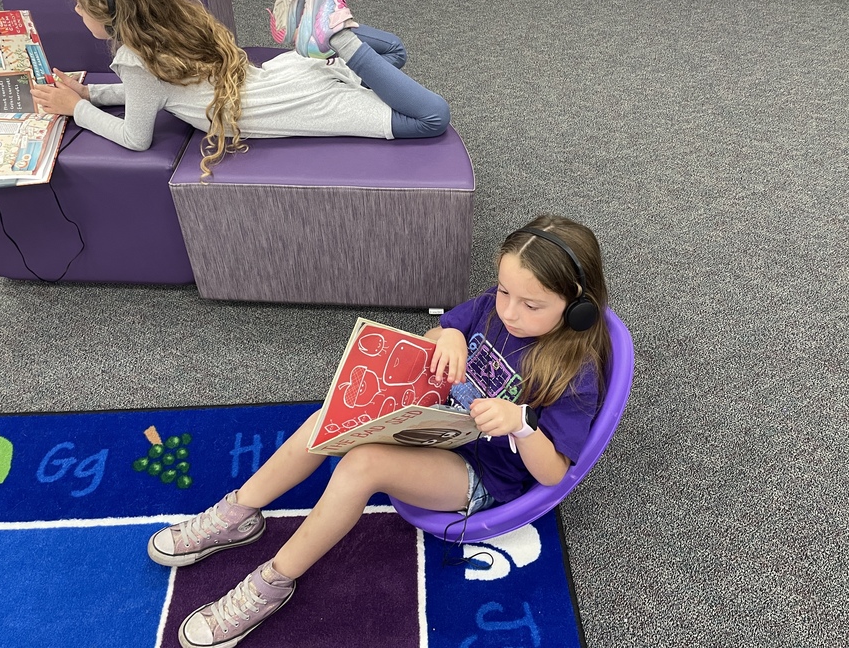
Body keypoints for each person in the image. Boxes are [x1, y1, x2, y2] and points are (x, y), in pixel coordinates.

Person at [146, 215, 613, 648]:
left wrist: (521, 424)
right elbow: (437, 337)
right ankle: (239, 512)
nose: (509, 311)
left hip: (485, 476)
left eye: (531, 305)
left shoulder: (575, 371)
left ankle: (272, 582)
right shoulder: (493, 306)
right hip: (437, 428)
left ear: (578, 307)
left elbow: (554, 474)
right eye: (504, 291)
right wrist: (447, 336)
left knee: (361, 466)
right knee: (330, 418)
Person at [30, 0, 450, 177]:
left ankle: (332, 33)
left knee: (431, 118)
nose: (77, 10)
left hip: (287, 105)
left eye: (81, 4)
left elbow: (135, 138)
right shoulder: (176, 18)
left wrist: (77, 109)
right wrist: (92, 92)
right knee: (394, 51)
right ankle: (314, 32)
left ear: (108, 10)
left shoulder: (135, 59)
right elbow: (151, 94)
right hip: (276, 78)